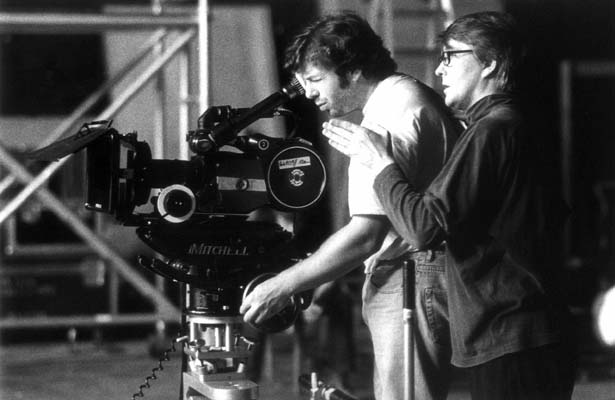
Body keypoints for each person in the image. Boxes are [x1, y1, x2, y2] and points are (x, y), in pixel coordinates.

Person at [323, 11, 577, 399]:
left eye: (450, 56)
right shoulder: (513, 124)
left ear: (490, 63)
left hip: (511, 337)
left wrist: (380, 163)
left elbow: (423, 227)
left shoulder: (491, 131)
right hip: (529, 334)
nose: (440, 69)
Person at [240, 11, 461, 400]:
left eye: (315, 79)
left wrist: (282, 285)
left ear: (354, 70)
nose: (308, 93)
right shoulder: (404, 98)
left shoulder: (389, 118)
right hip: (415, 274)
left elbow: (365, 236)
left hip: (411, 277)